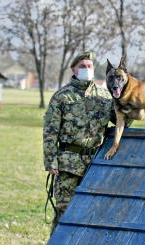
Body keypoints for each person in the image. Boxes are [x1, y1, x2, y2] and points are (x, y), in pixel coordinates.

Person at [43, 51, 122, 234]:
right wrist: (50, 161)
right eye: (82, 66)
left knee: (92, 211)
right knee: (64, 209)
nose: (87, 69)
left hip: (95, 164)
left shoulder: (105, 97)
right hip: (67, 163)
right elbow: (50, 132)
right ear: (73, 69)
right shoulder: (62, 97)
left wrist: (135, 103)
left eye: (89, 66)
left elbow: (120, 120)